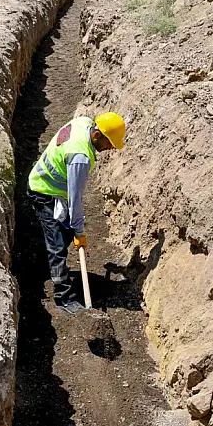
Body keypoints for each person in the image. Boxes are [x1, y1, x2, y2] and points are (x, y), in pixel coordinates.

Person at [27, 112, 126, 313]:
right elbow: (75, 201)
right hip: (44, 192)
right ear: (97, 135)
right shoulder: (80, 157)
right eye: (109, 143)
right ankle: (63, 297)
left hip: (48, 184)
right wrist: (80, 232)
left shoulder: (84, 123)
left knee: (63, 235)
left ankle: (55, 271)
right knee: (57, 245)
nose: (109, 149)